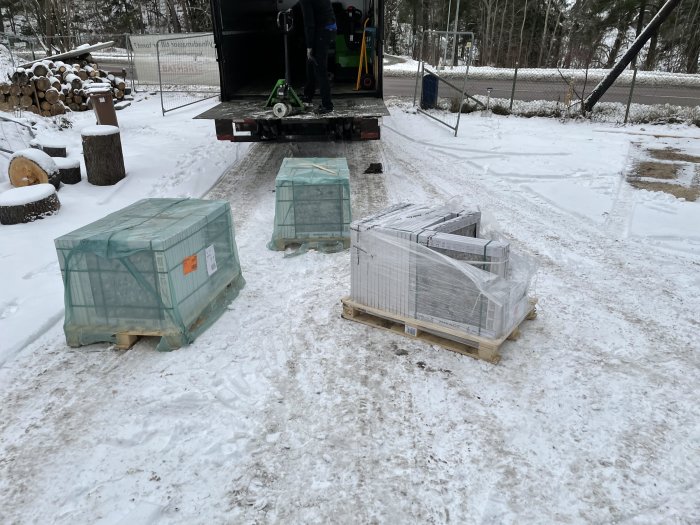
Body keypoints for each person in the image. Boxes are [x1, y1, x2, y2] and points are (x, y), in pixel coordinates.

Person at [299, 0, 337, 114]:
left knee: (319, 67)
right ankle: (308, 95)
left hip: (323, 30)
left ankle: (327, 105)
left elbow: (309, 23)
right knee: (310, 60)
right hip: (329, 26)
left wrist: (309, 46)